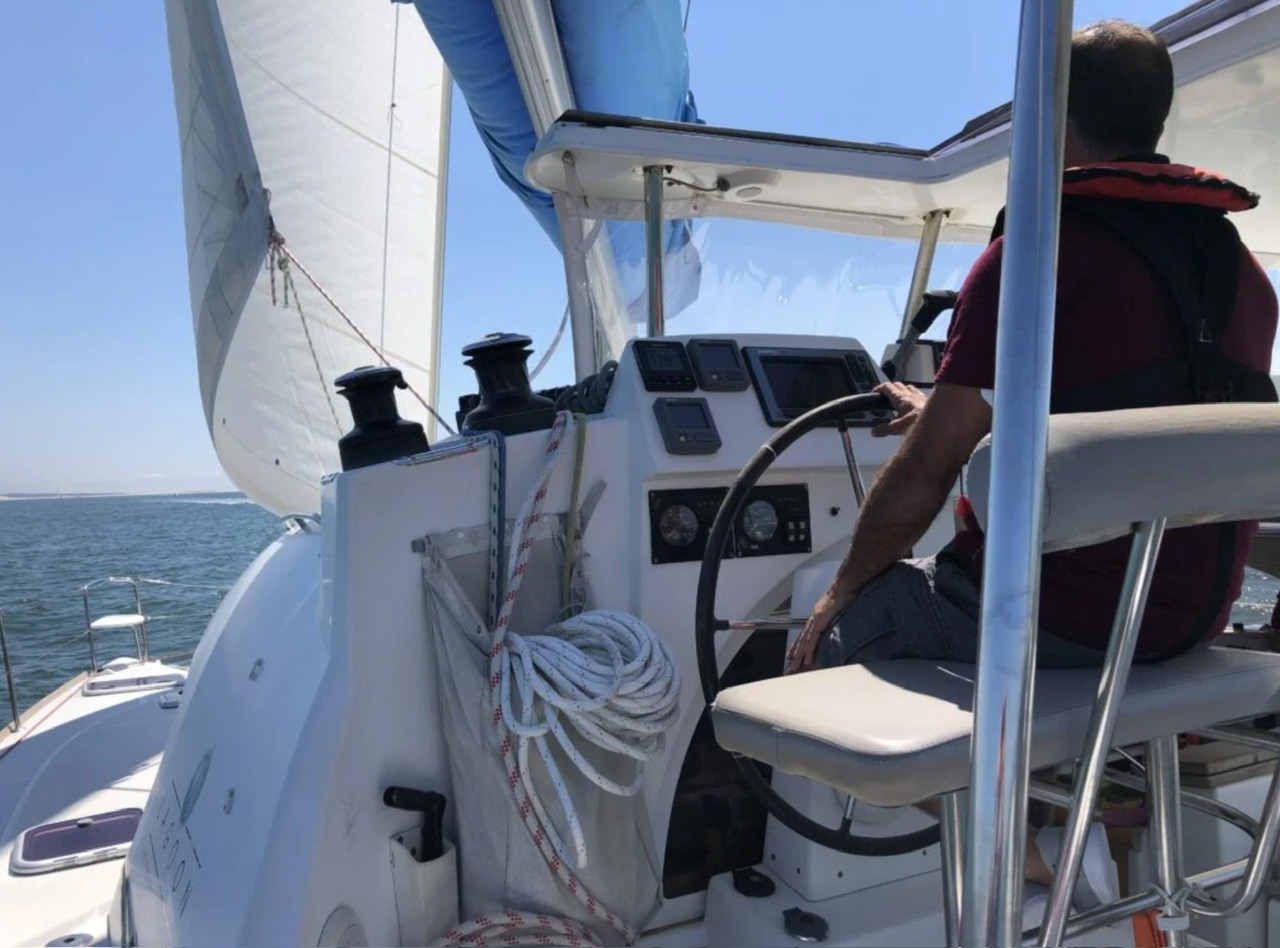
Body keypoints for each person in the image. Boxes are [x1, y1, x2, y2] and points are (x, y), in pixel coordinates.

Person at [784, 19, 1278, 905]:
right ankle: (1080, 811)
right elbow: (1138, 404)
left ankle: (1033, 851)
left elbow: (932, 469)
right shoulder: (1246, 278)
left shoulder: (1038, 255)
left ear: (1052, 118)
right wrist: (944, 406)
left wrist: (838, 591)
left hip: (1067, 626)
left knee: (836, 613)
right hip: (1185, 622)